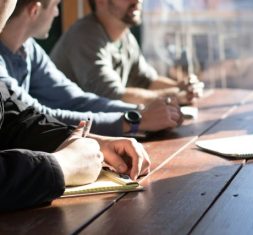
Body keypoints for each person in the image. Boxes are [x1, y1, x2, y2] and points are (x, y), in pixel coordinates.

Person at [0, 0, 150, 211]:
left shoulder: (28, 49)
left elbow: (15, 118)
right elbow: (41, 111)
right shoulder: (85, 34)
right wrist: (64, 165)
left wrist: (87, 140)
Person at [0, 0, 182, 137]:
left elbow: (76, 100)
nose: (57, 13)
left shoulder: (28, 48)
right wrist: (135, 120)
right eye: (56, 5)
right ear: (34, 10)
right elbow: (37, 117)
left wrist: (139, 110)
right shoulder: (84, 35)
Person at [50, 0, 204, 106]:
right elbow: (113, 97)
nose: (138, 1)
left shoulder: (125, 36)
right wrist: (175, 96)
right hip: (65, 135)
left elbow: (147, 81)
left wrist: (183, 86)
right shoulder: (84, 36)